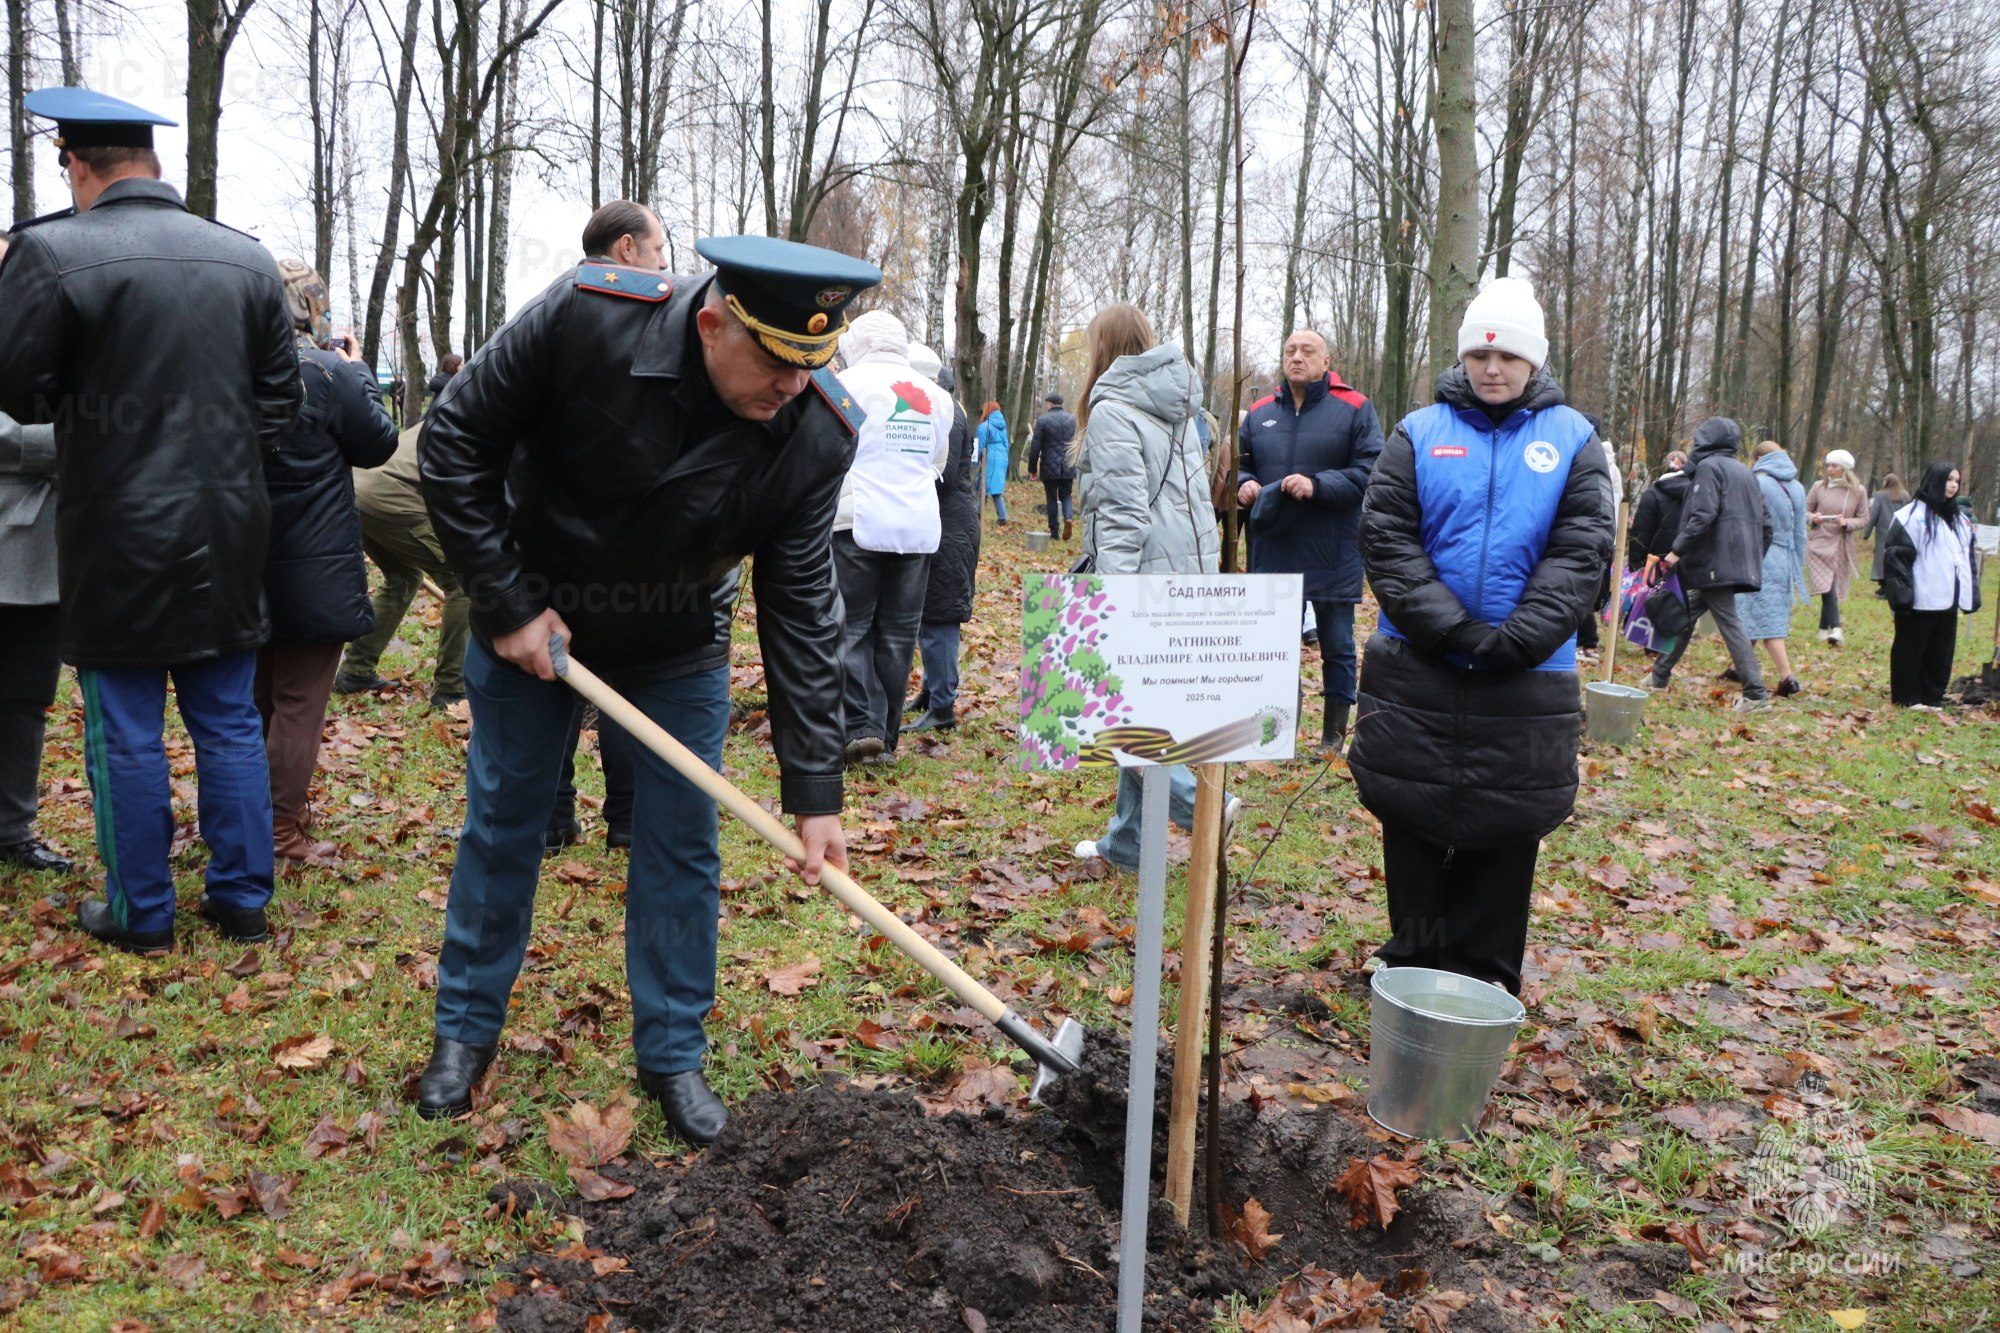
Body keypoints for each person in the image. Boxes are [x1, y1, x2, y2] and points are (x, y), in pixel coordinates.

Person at [414, 234, 877, 1143]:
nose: (792, 387)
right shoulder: (589, 319)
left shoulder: (817, 429)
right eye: (779, 361)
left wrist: (815, 788)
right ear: (711, 323)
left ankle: (672, 1052)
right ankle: (463, 1032)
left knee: (679, 845)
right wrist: (506, 603)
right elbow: (454, 441)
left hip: (678, 640)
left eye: (810, 364)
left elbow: (800, 604)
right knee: (506, 821)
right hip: (534, 620)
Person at [0, 88, 303, 953]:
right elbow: (282, 400)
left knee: (127, 725)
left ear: (76, 164)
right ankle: (242, 897)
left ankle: (142, 912)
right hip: (228, 527)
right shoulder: (245, 260)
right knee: (228, 717)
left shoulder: (50, 251)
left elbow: (13, 383)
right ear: (155, 164)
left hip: (114, 529)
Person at [1347, 275, 1612, 996]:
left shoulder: (1574, 440)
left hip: (1528, 673)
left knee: (1507, 825)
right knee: (1412, 815)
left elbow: (1582, 547)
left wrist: (1518, 638)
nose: (1492, 369)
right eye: (1479, 356)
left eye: (1508, 357)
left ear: (1534, 362)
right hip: (1417, 664)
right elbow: (1388, 538)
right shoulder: (1418, 433)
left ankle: (1485, 974)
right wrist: (1452, 627)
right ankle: (1413, 956)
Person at [1066, 304, 1238, 871]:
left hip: (1140, 578)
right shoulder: (1183, 406)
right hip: (1187, 570)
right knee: (1146, 712)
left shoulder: (1115, 408)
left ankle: (1202, 805)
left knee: (1117, 719)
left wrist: (1111, 600)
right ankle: (1130, 845)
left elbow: (1122, 515)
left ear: (1103, 348)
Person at [258, 260, 398, 866]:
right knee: (299, 700)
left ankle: (246, 818)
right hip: (313, 563)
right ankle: (279, 830)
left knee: (256, 697)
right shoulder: (326, 370)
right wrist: (358, 367)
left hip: (239, 555)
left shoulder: (224, 365)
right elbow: (379, 442)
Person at [1236, 329, 1384, 754]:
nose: (1297, 357)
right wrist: (1245, 485)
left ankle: (1333, 738)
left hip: (1332, 550)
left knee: (1336, 645)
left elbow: (1371, 470)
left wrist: (1317, 485)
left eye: (1307, 351)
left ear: (1326, 360)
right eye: (1289, 350)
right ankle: (1277, 734)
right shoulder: (1261, 412)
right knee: (1274, 649)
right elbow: (1241, 467)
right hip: (1274, 549)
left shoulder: (1354, 408)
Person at [830, 310, 951, 764]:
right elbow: (938, 460)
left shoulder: (847, 384)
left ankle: (861, 725)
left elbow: (830, 447)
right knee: (899, 634)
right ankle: (887, 736)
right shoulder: (937, 396)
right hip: (917, 526)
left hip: (857, 519)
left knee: (854, 627)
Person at [0, 231, 72, 874]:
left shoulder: (46, 331)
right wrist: (79, 441)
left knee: (26, 696)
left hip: (41, 551)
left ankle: (12, 827)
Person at [335, 426, 474, 707]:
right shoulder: (487, 427)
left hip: (356, 490)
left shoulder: (452, 411)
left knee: (403, 577)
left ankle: (355, 671)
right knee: (465, 583)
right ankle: (451, 688)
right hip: (390, 495)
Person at [1646, 418, 1773, 711]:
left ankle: (1756, 694)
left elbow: (1702, 515)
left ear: (1705, 441)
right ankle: (1658, 676)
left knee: (1729, 622)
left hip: (1714, 561)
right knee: (1686, 615)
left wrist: (1675, 553)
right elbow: (1767, 524)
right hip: (1727, 561)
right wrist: (1752, 557)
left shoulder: (1709, 468)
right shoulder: (1745, 472)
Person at [905, 345, 980, 734]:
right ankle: (931, 690)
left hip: (951, 526)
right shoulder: (945, 409)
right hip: (944, 521)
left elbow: (945, 474)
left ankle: (944, 706)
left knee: (941, 615)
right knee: (927, 613)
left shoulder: (947, 414)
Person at [1881, 462, 1980, 710]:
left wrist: (1971, 594)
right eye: (1948, 480)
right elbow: (1896, 559)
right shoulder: (1910, 517)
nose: (1953, 485)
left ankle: (1932, 696)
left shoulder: (1960, 521)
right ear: (1934, 481)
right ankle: (1908, 696)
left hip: (1948, 599)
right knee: (1911, 648)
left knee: (1941, 652)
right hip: (1919, 598)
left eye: (1957, 481)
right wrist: (1902, 596)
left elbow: (1967, 561)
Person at [1740, 440, 1807, 698]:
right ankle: (1739, 666)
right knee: (1758, 614)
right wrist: (1796, 567)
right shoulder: (1798, 488)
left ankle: (1787, 675)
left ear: (1758, 459)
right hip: (1785, 557)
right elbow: (1800, 533)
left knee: (1767, 625)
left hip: (1760, 554)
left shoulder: (1758, 483)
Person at [1805, 448, 1868, 644]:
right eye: (1828, 465)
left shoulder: (1858, 491)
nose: (1830, 469)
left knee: (1829, 585)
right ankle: (1837, 628)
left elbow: (1864, 518)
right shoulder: (1818, 487)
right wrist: (1813, 518)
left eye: (1834, 466)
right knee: (1827, 584)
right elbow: (1804, 511)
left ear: (1845, 469)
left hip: (1840, 543)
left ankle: (1824, 629)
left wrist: (1847, 523)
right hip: (1818, 542)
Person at [1627, 449, 1691, 579]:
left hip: (1654, 570)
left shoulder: (1652, 495)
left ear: (1664, 468)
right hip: (1687, 569)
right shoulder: (1696, 494)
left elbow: (1640, 535)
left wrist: (1635, 566)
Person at [1026, 392, 1078, 541]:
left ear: (1049, 404)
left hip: (1049, 466)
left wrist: (1032, 469)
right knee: (1066, 495)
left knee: (1051, 498)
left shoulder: (1043, 421)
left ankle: (1054, 532)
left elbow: (1035, 447)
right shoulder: (1072, 419)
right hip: (1068, 464)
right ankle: (1068, 517)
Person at [1865, 472, 1910, 586]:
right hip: (1900, 530)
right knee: (1897, 556)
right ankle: (1895, 580)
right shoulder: (1905, 495)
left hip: (1883, 531)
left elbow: (1874, 514)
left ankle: (1883, 581)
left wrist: (1867, 532)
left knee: (1882, 556)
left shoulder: (1880, 495)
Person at [977, 401, 1010, 524]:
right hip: (1002, 457)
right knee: (994, 487)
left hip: (991, 456)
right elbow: (1007, 445)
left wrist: (976, 459)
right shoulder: (1003, 426)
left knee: (986, 485)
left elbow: (980, 447)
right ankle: (981, 512)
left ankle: (998, 517)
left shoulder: (985, 426)